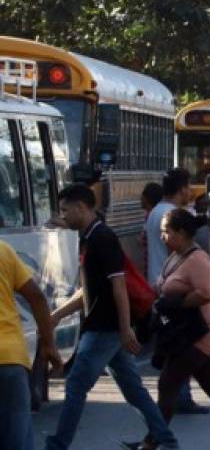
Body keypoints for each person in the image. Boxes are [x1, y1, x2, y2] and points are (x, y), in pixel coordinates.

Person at [46, 184, 178, 450]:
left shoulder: (102, 238)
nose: (63, 217)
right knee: (133, 390)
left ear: (81, 207)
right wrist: (57, 314)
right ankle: (166, 440)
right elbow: (89, 289)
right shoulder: (88, 237)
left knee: (75, 387)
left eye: (65, 211)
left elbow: (119, 286)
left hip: (104, 329)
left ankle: (57, 445)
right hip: (107, 329)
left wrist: (124, 328)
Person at [128, 209, 210, 450]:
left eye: (166, 231)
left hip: (200, 333)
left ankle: (152, 441)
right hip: (185, 333)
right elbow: (163, 286)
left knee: (168, 383)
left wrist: (176, 303)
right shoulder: (176, 256)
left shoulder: (198, 259)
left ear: (181, 233)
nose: (162, 236)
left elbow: (206, 294)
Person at [144, 168, 206, 414]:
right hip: (174, 287)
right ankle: (179, 397)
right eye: (189, 186)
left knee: (175, 344)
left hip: (161, 284)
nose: (190, 192)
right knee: (182, 344)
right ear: (182, 188)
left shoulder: (155, 212)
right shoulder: (171, 215)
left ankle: (178, 396)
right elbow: (183, 249)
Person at [1, 240, 62, 449]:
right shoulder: (3, 250)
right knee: (17, 437)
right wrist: (48, 344)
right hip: (9, 359)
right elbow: (37, 297)